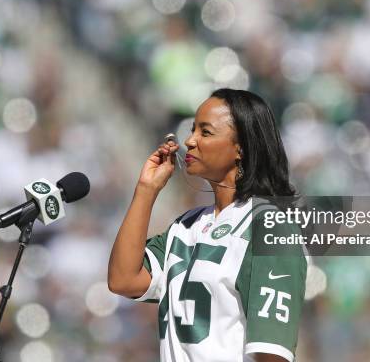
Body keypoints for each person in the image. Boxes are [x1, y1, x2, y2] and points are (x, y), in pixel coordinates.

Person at [108, 89, 307, 362]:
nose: (189, 141)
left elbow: (272, 354)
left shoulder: (270, 227)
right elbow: (123, 280)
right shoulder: (185, 227)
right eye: (192, 130)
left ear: (241, 147)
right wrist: (146, 190)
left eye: (206, 132)